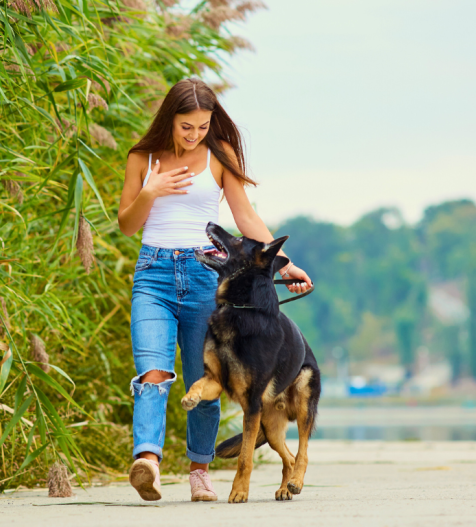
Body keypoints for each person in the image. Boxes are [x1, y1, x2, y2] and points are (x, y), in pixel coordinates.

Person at [117, 78, 313, 502]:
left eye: (203, 126)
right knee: (152, 373)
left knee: (208, 379)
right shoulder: (142, 158)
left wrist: (286, 263)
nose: (194, 134)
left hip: (206, 278)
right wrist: (149, 191)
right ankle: (147, 461)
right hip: (153, 275)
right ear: (170, 119)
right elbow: (127, 225)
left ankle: (199, 471)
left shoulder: (218, 157)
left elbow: (245, 217)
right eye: (186, 126)